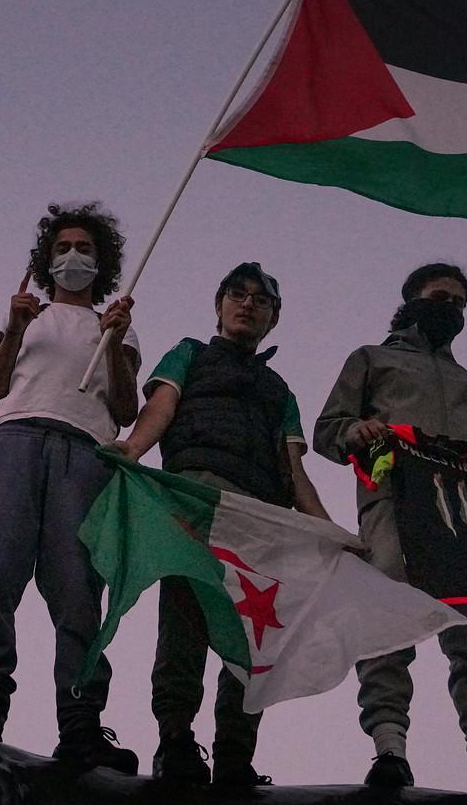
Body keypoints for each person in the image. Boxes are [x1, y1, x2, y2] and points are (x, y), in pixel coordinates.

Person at [313, 263, 467, 805]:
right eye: (438, 297)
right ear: (410, 301)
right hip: (396, 503)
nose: (448, 308)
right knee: (386, 622)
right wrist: (356, 431)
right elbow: (328, 430)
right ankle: (389, 752)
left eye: (458, 302)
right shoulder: (371, 359)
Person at [109, 262, 333, 788]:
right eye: (238, 293)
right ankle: (175, 740)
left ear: (273, 318)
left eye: (261, 299)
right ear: (220, 304)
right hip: (196, 498)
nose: (248, 304)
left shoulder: (279, 390)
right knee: (185, 618)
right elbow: (160, 408)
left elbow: (295, 471)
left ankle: (236, 753)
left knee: (253, 632)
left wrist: (331, 532)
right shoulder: (190, 354)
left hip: (261, 517)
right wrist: (132, 453)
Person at [0, 202, 140, 773]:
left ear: (100, 262)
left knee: (79, 587)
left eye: (84, 248)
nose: (73, 257)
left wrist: (118, 342)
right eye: (62, 249)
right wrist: (12, 328)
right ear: (46, 260)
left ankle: (81, 723)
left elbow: (128, 409)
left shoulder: (113, 326)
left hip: (85, 450)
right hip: (17, 437)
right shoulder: (28, 320)